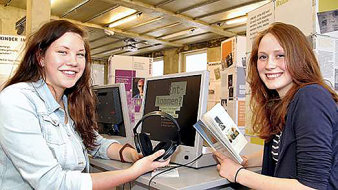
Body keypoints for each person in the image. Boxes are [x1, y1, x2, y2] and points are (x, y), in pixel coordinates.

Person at [0, 20, 169, 190]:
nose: (73, 61)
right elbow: (52, 183)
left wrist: (132, 155)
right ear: (40, 57)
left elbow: (96, 143)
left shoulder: (68, 103)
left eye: (80, 54)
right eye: (62, 52)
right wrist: (133, 172)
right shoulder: (17, 99)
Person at [214, 22, 338, 190]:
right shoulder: (280, 102)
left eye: (280, 55)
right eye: (263, 57)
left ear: (299, 58)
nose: (269, 65)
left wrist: (238, 174)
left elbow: (312, 187)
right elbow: (281, 150)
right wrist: (245, 161)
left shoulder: (310, 97)